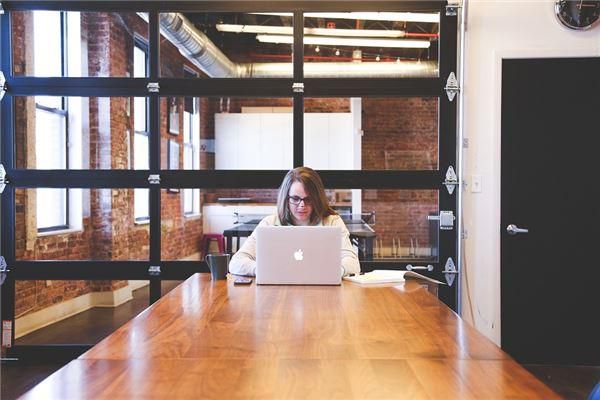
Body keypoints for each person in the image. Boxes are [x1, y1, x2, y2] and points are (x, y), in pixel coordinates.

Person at [229, 167, 360, 277]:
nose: (302, 205)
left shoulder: (332, 222)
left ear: (317, 199)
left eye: (308, 199)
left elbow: (353, 263)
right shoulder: (269, 224)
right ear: (286, 199)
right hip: (278, 292)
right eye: (295, 199)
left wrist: (333, 272)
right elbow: (236, 263)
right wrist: (263, 270)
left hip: (323, 292)